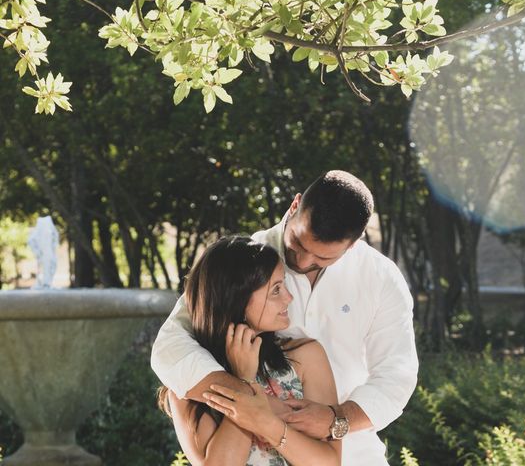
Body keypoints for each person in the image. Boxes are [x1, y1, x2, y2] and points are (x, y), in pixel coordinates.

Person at [152, 171, 419, 465]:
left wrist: (335, 420)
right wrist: (255, 400)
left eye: (322, 259)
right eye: (298, 245)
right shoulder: (247, 262)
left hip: (352, 450)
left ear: (353, 244)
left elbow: (396, 377)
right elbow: (172, 346)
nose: (302, 263)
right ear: (295, 206)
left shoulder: (380, 279)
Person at [158, 236, 341, 465]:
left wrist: (266, 422)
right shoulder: (190, 383)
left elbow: (330, 462)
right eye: (275, 290)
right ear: (238, 301)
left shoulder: (306, 357)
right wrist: (243, 381)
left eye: (283, 284)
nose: (289, 297)